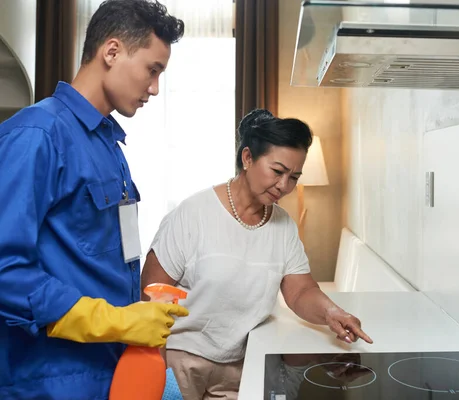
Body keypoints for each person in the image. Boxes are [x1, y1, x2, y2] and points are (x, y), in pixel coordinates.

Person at [0, 1, 189, 398]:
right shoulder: (37, 136)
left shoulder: (109, 145)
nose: (154, 88)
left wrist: (138, 313)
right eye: (152, 70)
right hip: (52, 381)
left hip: (108, 373)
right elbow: (6, 273)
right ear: (112, 51)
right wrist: (115, 321)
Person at [141, 109, 374, 400]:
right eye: (277, 171)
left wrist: (331, 312)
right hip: (182, 360)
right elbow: (152, 296)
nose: (284, 185)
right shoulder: (192, 215)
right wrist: (157, 370)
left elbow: (300, 291)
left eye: (294, 177)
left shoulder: (283, 226)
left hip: (242, 361)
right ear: (248, 158)